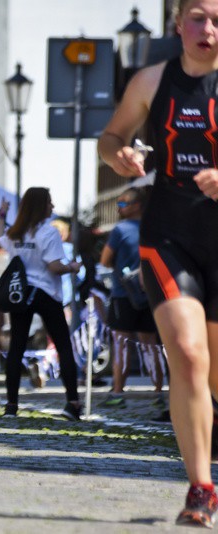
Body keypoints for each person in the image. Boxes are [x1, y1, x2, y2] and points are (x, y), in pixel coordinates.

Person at [97, 0, 218, 525]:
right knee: (189, 358)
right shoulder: (151, 80)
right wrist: (117, 156)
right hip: (168, 233)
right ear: (178, 24)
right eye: (198, 16)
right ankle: (200, 487)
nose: (208, 29)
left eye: (217, 20)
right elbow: (111, 136)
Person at [0, 188, 82, 421]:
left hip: (21, 293)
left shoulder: (16, 232)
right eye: (49, 203)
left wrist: (2, 214)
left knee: (16, 347)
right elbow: (54, 266)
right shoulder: (48, 233)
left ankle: (11, 405)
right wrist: (72, 267)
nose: (52, 207)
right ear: (41, 206)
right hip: (46, 292)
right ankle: (72, 402)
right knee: (63, 346)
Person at [99, 187, 164, 408]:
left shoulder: (120, 230)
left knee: (121, 344)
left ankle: (118, 393)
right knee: (150, 344)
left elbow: (105, 260)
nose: (119, 207)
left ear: (137, 205)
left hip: (122, 293)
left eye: (123, 203)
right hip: (150, 294)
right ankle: (158, 394)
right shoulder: (154, 228)